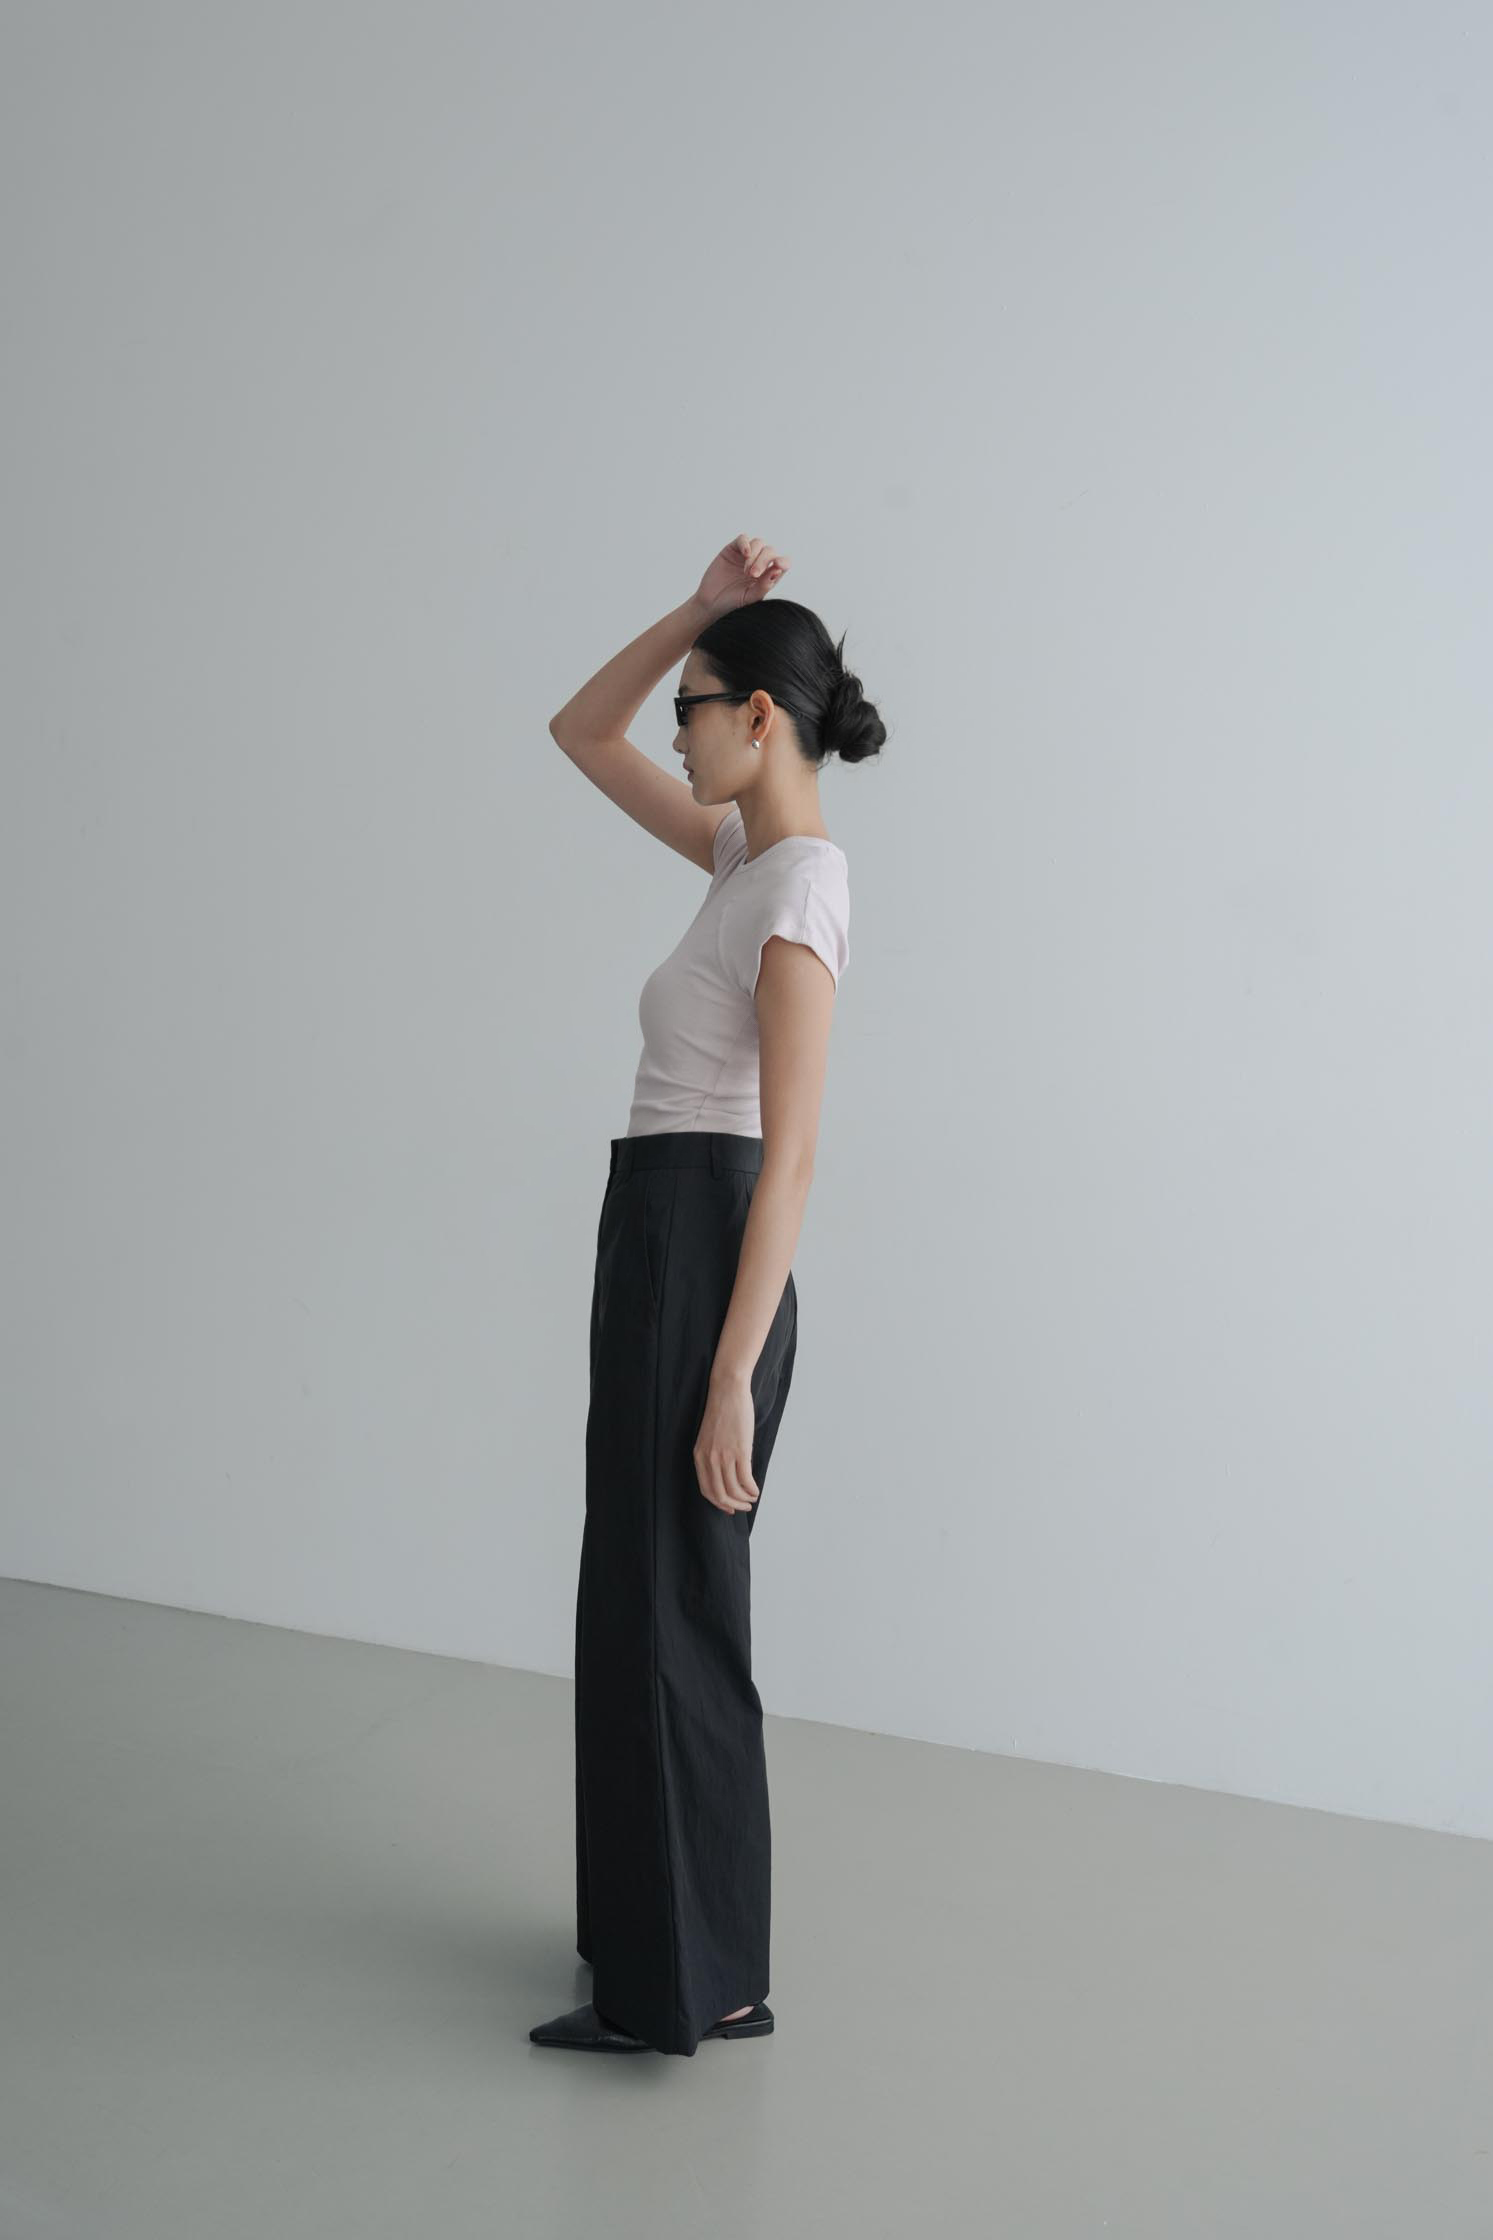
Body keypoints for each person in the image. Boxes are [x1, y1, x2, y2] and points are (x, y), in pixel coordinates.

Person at [530, 534, 886, 2055]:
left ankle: (683, 1985)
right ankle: (674, 1954)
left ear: (758, 718)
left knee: (673, 1609)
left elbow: (791, 1159)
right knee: (644, 1597)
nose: (674, 731)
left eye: (695, 704)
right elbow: (578, 729)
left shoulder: (799, 890)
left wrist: (731, 1370)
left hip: (709, 1247)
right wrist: (699, 611)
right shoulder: (745, 860)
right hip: (662, 1228)